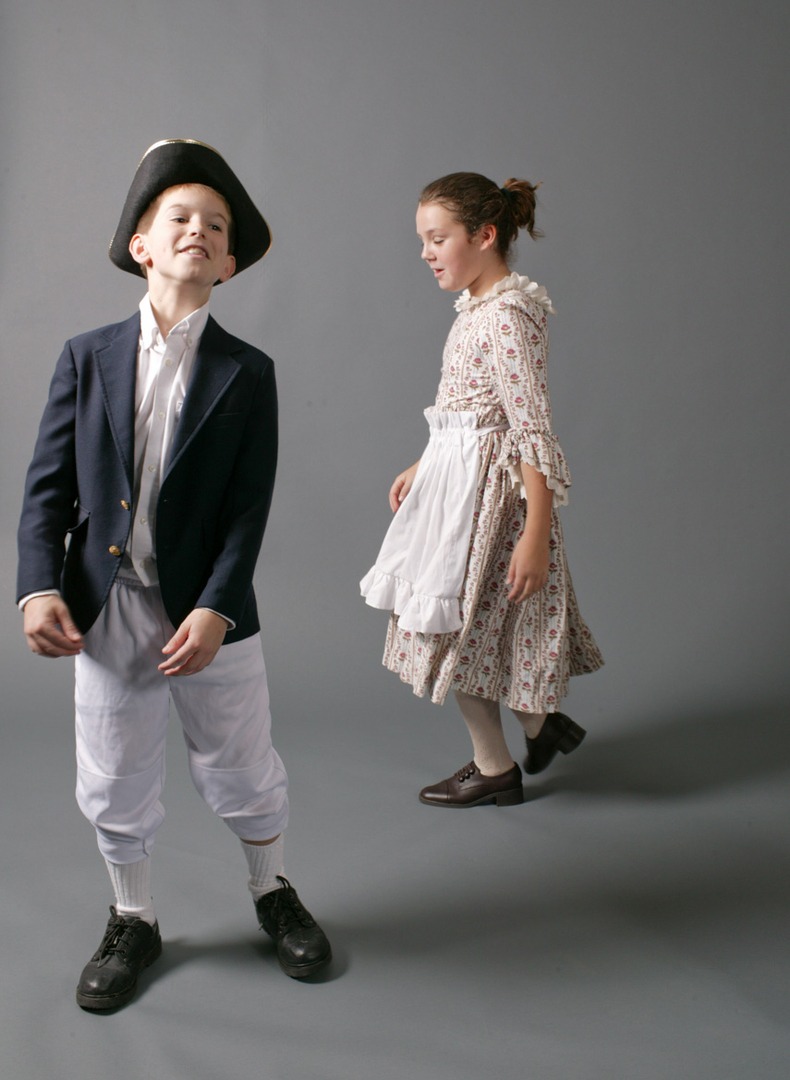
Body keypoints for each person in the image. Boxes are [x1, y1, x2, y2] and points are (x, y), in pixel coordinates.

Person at [17, 139, 331, 1011]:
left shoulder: (249, 374)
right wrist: (39, 585)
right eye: (178, 218)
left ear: (228, 263)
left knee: (241, 761)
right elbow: (46, 488)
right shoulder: (86, 357)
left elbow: (246, 510)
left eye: (216, 225)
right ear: (142, 246)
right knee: (113, 770)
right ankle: (133, 918)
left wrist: (219, 610)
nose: (198, 231)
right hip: (107, 605)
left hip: (209, 611)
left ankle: (272, 891)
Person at [361, 171, 604, 808]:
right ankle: (537, 726)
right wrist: (427, 460)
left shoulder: (506, 319)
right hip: (458, 492)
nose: (426, 252)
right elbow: (471, 410)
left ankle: (497, 766)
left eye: (437, 237)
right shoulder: (480, 310)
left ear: (485, 234)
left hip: (491, 506)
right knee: (466, 631)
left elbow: (531, 431)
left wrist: (535, 536)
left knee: (455, 631)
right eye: (424, 240)